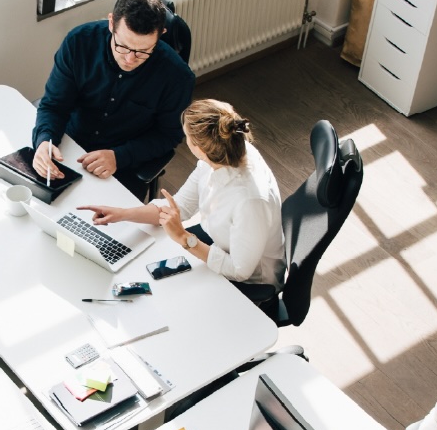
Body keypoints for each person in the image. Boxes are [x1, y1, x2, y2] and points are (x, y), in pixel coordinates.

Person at [77, 98, 285, 307]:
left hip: (250, 281)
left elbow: (240, 270)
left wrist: (184, 237)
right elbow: (180, 206)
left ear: (200, 148)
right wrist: (123, 214)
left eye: (186, 137)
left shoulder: (250, 201)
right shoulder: (224, 151)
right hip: (219, 244)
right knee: (151, 277)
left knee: (167, 301)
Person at [32, 0, 195, 199]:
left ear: (160, 34)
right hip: (69, 147)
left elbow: (168, 135)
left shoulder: (178, 77)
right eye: (123, 46)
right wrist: (45, 139)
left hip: (124, 165)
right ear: (111, 23)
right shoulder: (78, 42)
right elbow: (55, 104)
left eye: (143, 51)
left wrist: (119, 157)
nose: (129, 58)